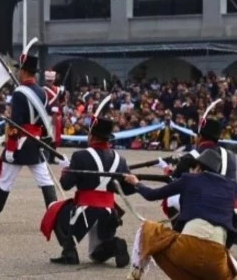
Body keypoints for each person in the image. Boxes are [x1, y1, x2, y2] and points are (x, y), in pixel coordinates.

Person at [0, 50, 58, 228]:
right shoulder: (43, 93)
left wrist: (10, 148)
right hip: (35, 141)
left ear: (25, 71)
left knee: (5, 180)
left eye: (20, 69)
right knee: (45, 180)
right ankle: (55, 215)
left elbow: (15, 124)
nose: (18, 72)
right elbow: (45, 119)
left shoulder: (20, 93)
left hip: (20, 143)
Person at [124, 149, 237, 280]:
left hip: (186, 251)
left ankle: (134, 276)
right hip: (216, 262)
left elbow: (151, 195)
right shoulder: (231, 187)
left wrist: (136, 183)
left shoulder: (190, 179)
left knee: (146, 229)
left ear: (198, 168)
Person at [40, 111, 134, 267]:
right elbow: (127, 190)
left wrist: (66, 168)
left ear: (93, 136)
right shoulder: (121, 160)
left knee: (53, 208)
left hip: (85, 209)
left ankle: (69, 252)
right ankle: (115, 244)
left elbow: (66, 184)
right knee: (95, 255)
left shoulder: (80, 156)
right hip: (110, 213)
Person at [157, 100, 236, 226]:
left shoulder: (190, 157)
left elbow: (175, 181)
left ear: (200, 137)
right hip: (229, 204)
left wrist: (166, 169)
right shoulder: (231, 156)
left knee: (170, 199)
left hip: (206, 206)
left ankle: (180, 229)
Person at [42, 69, 64, 163]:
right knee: (47, 137)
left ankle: (52, 158)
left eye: (51, 80)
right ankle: (45, 157)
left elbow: (61, 102)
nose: (50, 82)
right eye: (49, 81)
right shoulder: (43, 90)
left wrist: (63, 94)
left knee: (54, 138)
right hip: (47, 115)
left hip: (56, 116)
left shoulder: (59, 90)